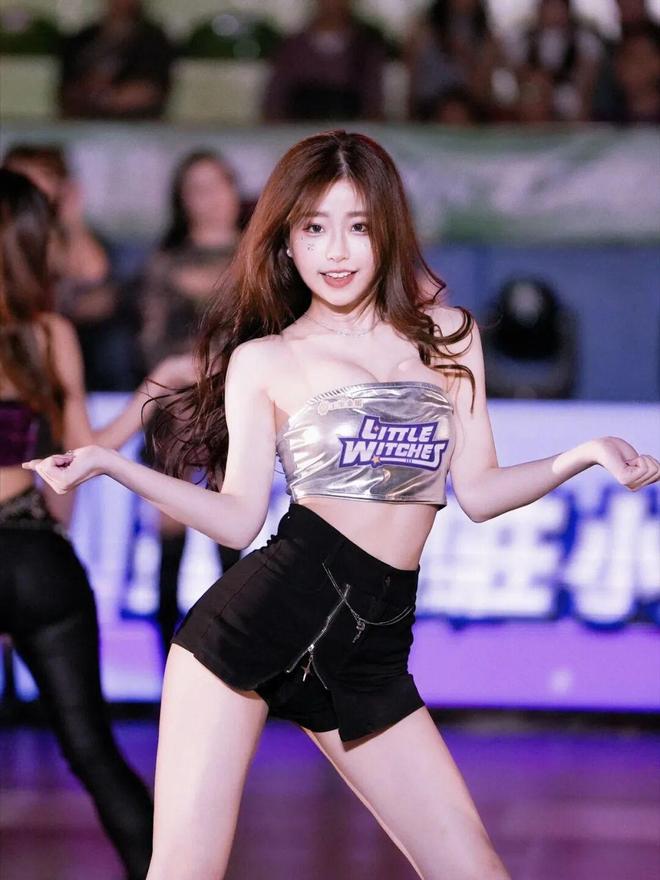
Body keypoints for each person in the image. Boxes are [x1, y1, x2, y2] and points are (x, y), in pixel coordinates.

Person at [26, 131, 660, 880]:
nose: (336, 251)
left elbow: (480, 492)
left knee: (475, 871)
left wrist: (583, 454)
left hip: (372, 649)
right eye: (313, 228)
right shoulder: (267, 358)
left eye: (357, 226)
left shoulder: (448, 338)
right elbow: (237, 518)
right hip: (251, 628)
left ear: (386, 231)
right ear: (286, 240)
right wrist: (110, 465)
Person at [0, 168, 191, 880]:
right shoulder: (48, 334)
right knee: (93, 752)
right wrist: (157, 386)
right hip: (38, 560)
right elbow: (79, 459)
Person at [139, 150, 243, 661]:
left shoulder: (260, 259)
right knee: (170, 544)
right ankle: (169, 670)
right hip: (175, 412)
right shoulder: (165, 263)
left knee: (232, 542)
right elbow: (149, 342)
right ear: (182, 201)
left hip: (236, 411)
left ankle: (236, 667)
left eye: (215, 186)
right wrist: (186, 377)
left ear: (233, 190)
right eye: (196, 190)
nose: (208, 200)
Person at [2, 143, 139, 390]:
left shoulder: (72, 238)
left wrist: (72, 219)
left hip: (83, 351)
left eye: (38, 179)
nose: (30, 191)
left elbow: (94, 275)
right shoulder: (14, 241)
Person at [262, 0, 386, 122]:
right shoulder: (292, 46)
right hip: (298, 128)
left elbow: (373, 102)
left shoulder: (365, 48)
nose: (332, 3)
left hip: (350, 128)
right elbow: (274, 99)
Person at [58, 0, 175, 120]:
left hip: (138, 126)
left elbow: (149, 92)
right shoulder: (82, 39)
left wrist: (106, 98)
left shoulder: (154, 41)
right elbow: (67, 91)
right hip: (83, 125)